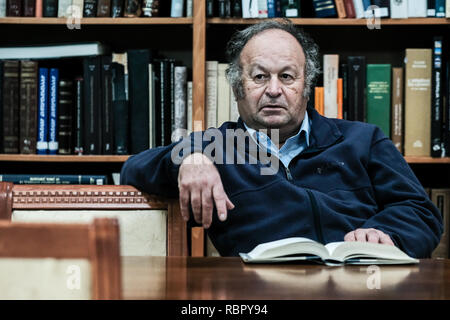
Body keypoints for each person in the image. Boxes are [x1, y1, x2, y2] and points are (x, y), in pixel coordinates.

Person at [121, 19, 442, 258]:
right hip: (256, 293)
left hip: (362, 283)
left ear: (305, 86)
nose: (273, 89)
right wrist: (189, 158)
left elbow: (421, 211)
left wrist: (384, 232)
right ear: (237, 88)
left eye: (287, 76)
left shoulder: (362, 139)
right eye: (260, 76)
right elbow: (133, 168)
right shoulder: (218, 147)